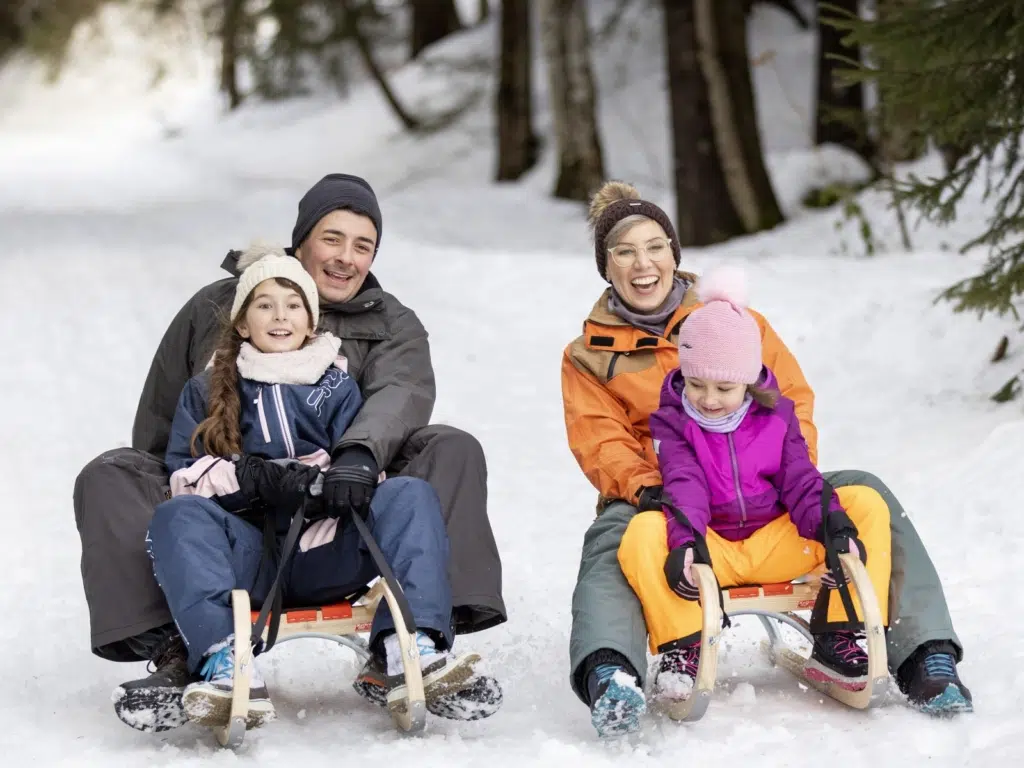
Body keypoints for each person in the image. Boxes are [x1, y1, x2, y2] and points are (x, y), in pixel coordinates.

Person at [73, 174, 504, 732]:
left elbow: (399, 398)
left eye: (363, 245)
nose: (346, 258)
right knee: (112, 476)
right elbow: (161, 430)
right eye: (332, 238)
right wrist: (207, 487)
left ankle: (412, 641)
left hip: (347, 509)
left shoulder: (389, 324)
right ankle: (188, 650)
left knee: (449, 449)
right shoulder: (213, 307)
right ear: (301, 239)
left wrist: (357, 458)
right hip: (232, 514)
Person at [560, 181, 972, 738]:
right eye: (625, 252)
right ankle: (612, 671)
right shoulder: (589, 355)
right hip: (663, 493)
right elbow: (600, 439)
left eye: (655, 246)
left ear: (674, 254)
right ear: (605, 266)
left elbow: (791, 400)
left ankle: (919, 650)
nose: (643, 264)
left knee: (861, 494)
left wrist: (780, 464)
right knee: (616, 532)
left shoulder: (732, 321)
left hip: (763, 482)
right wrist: (651, 487)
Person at [146, 249, 472, 729]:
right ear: (241, 324)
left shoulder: (336, 387)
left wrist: (338, 482)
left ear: (311, 320)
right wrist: (251, 479)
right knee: (176, 517)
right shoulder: (205, 390)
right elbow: (183, 477)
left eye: (293, 305)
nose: (280, 316)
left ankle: (410, 647)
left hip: (327, 551)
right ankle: (222, 660)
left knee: (409, 494)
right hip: (249, 558)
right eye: (265, 305)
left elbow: (364, 464)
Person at [615, 267, 891, 727]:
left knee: (862, 503)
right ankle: (683, 647)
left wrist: (834, 529)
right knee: (644, 530)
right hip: (711, 553)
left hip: (775, 544)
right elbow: (684, 484)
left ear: (748, 379)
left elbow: (801, 481)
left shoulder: (778, 417)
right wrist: (685, 544)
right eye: (697, 384)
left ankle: (838, 633)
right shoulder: (672, 422)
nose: (708, 399)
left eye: (724, 387)